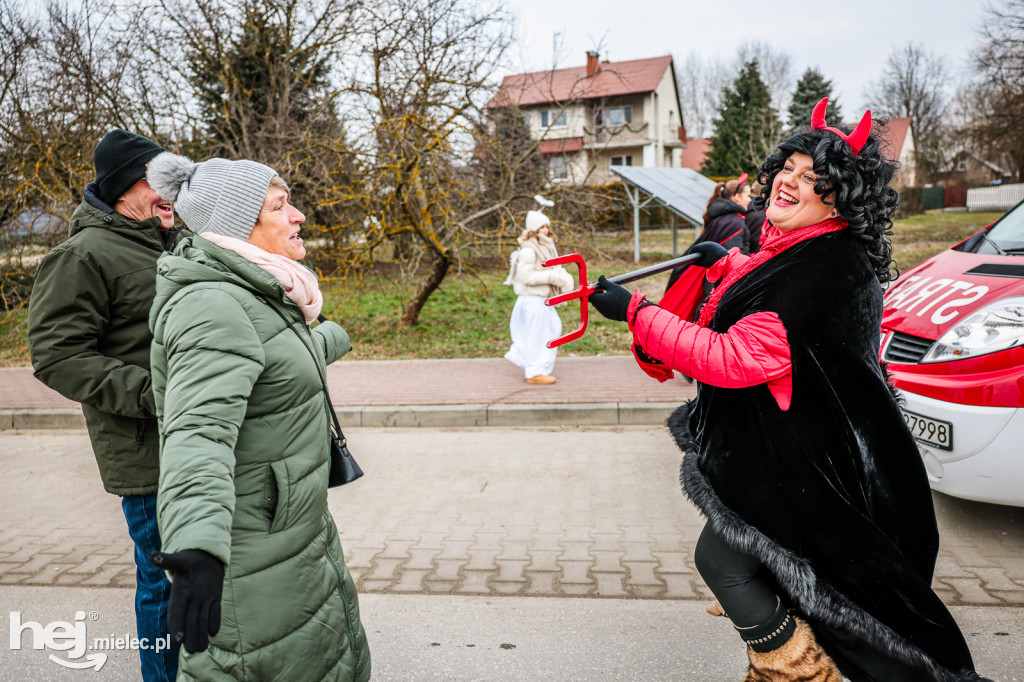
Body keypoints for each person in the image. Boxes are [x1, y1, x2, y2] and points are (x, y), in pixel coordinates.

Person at [588, 99, 987, 681]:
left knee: (725, 564)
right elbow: (768, 299)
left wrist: (637, 312)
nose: (789, 183)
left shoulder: (824, 271)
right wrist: (724, 263)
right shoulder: (810, 248)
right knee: (751, 569)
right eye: (789, 168)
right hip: (801, 453)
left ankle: (798, 672)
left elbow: (737, 355)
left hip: (813, 472)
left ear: (838, 200)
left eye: (812, 179)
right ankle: (788, 666)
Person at [144, 153, 370, 680]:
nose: (298, 216)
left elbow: (270, 355)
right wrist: (197, 544)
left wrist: (331, 336)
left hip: (292, 538)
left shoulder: (261, 291)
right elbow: (197, 434)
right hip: (251, 555)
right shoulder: (214, 305)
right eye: (280, 205)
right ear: (239, 226)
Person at [27, 129, 184, 681]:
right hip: (145, 453)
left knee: (205, 578)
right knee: (165, 583)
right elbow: (57, 355)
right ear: (124, 190)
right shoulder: (81, 255)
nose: (172, 192)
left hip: (197, 441)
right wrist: (155, 394)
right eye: (157, 181)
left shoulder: (173, 242)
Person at [504, 209, 575, 384]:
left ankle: (536, 366)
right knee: (538, 335)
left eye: (547, 227)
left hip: (541, 300)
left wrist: (563, 278)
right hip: (532, 300)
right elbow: (526, 277)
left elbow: (551, 268)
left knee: (552, 330)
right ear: (533, 229)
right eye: (541, 227)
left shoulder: (545, 248)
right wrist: (552, 277)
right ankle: (535, 372)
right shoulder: (529, 251)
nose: (545, 230)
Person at [664, 174, 751, 295]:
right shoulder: (735, 222)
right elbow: (726, 260)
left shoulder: (724, 217)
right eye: (747, 195)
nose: (750, 199)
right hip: (715, 285)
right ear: (737, 197)